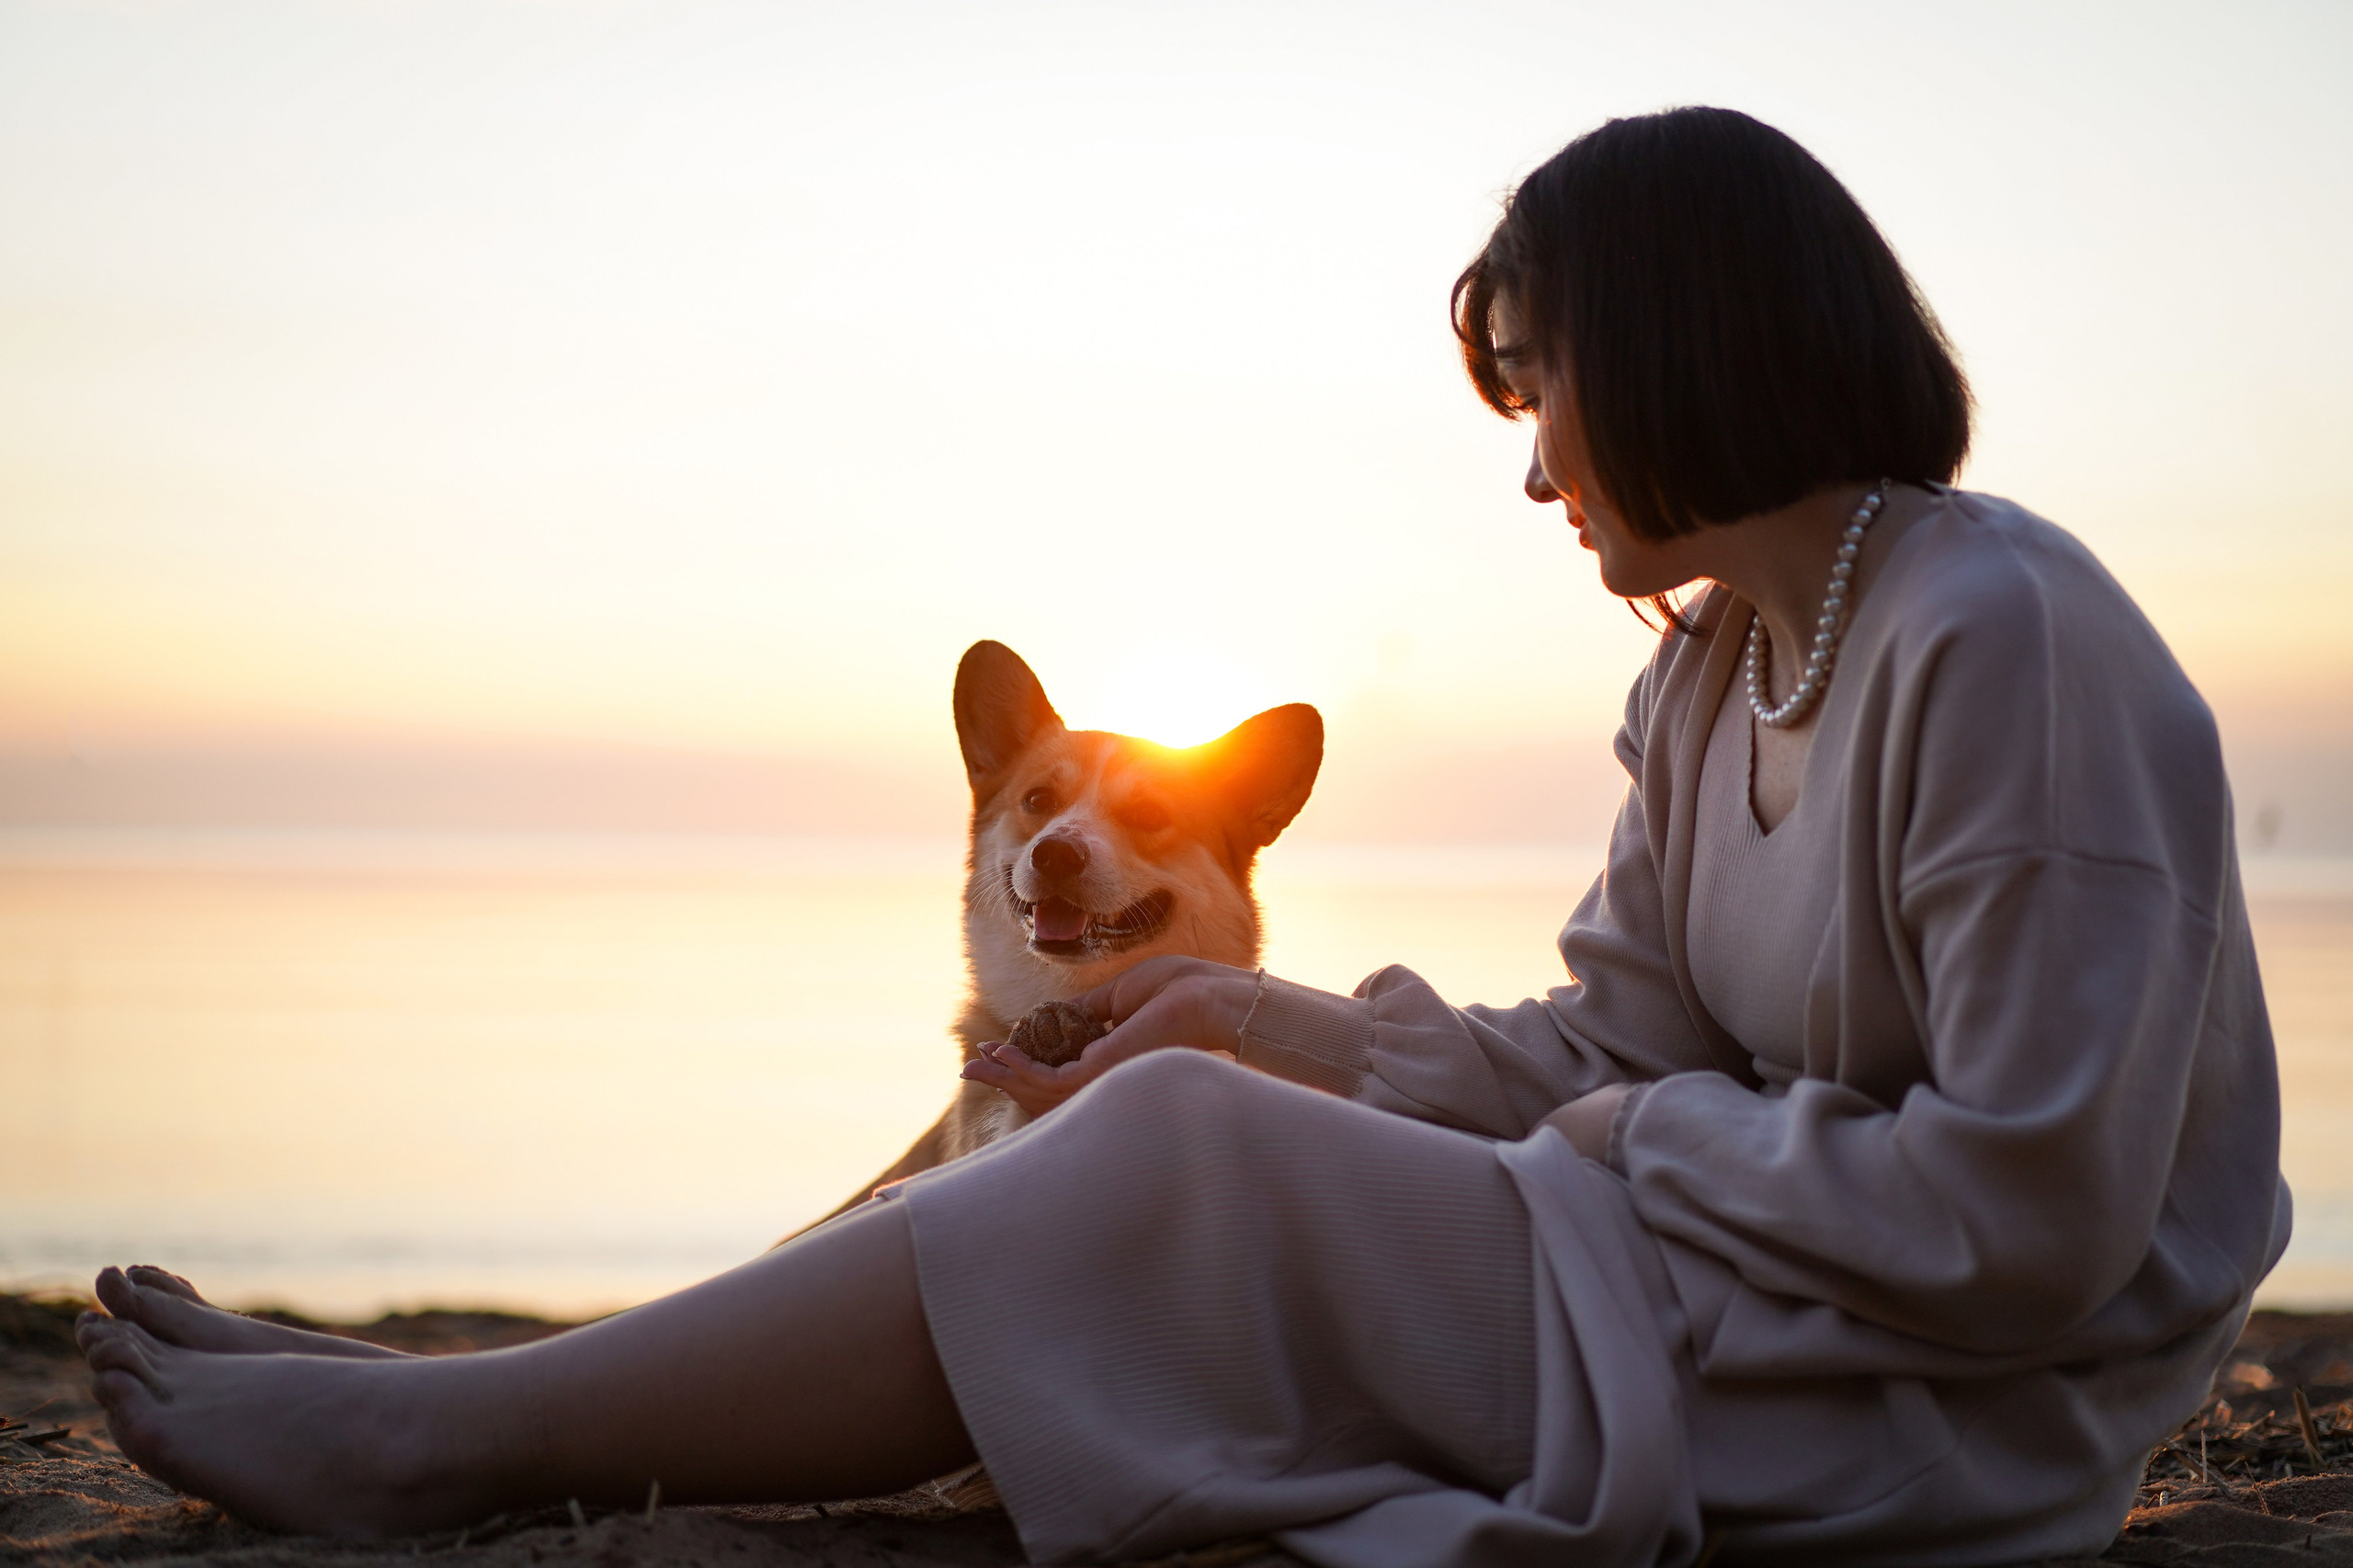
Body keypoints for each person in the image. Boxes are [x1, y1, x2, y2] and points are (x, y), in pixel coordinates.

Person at [77, 107, 2288, 1567]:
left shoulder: (1998, 642)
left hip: (1919, 1408)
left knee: (1164, 1168)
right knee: (1176, 1109)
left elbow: (2028, 1220)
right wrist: (1236, 1008)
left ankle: (432, 1452)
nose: (1531, 477)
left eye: (1540, 391)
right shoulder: (1710, 674)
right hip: (1716, 1285)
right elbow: (1606, 1047)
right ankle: (495, 1401)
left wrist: (1626, 1152)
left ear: (1671, 342)